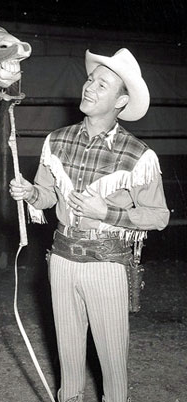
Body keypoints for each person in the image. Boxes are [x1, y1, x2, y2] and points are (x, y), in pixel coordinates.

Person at [9, 49, 169, 402]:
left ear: (121, 100)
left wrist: (107, 213)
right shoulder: (57, 140)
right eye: (89, 79)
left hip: (106, 263)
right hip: (63, 259)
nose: (89, 87)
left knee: (112, 366)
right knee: (68, 363)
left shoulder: (138, 154)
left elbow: (158, 216)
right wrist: (31, 193)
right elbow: (49, 195)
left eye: (102, 84)